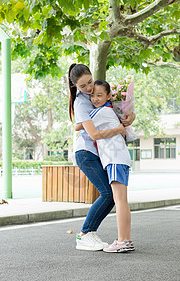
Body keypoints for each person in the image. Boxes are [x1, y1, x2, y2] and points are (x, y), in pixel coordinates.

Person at [68, 63, 135, 251]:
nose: (89, 89)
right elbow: (93, 133)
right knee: (108, 194)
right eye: (83, 87)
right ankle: (85, 233)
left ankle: (93, 233)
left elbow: (115, 110)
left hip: (102, 153)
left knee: (113, 197)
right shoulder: (81, 102)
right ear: (75, 87)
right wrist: (119, 129)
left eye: (89, 82)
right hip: (86, 152)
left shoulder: (96, 93)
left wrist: (131, 116)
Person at [88, 80, 134, 253]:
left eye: (99, 95)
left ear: (109, 96)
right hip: (120, 159)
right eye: (92, 95)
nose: (95, 99)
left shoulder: (101, 112)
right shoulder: (112, 112)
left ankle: (123, 240)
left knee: (120, 200)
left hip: (114, 159)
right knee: (122, 200)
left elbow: (80, 124)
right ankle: (125, 240)